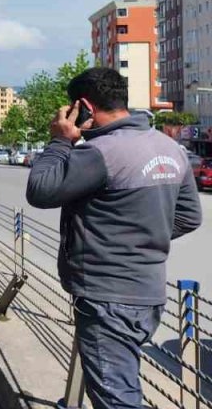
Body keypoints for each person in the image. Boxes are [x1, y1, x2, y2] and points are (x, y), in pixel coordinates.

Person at [26, 67, 202, 408]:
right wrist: (140, 238)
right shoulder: (169, 147)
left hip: (107, 296)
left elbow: (40, 190)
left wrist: (61, 140)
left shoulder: (99, 152)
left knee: (115, 398)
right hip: (148, 293)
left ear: (84, 107)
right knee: (121, 384)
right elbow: (189, 217)